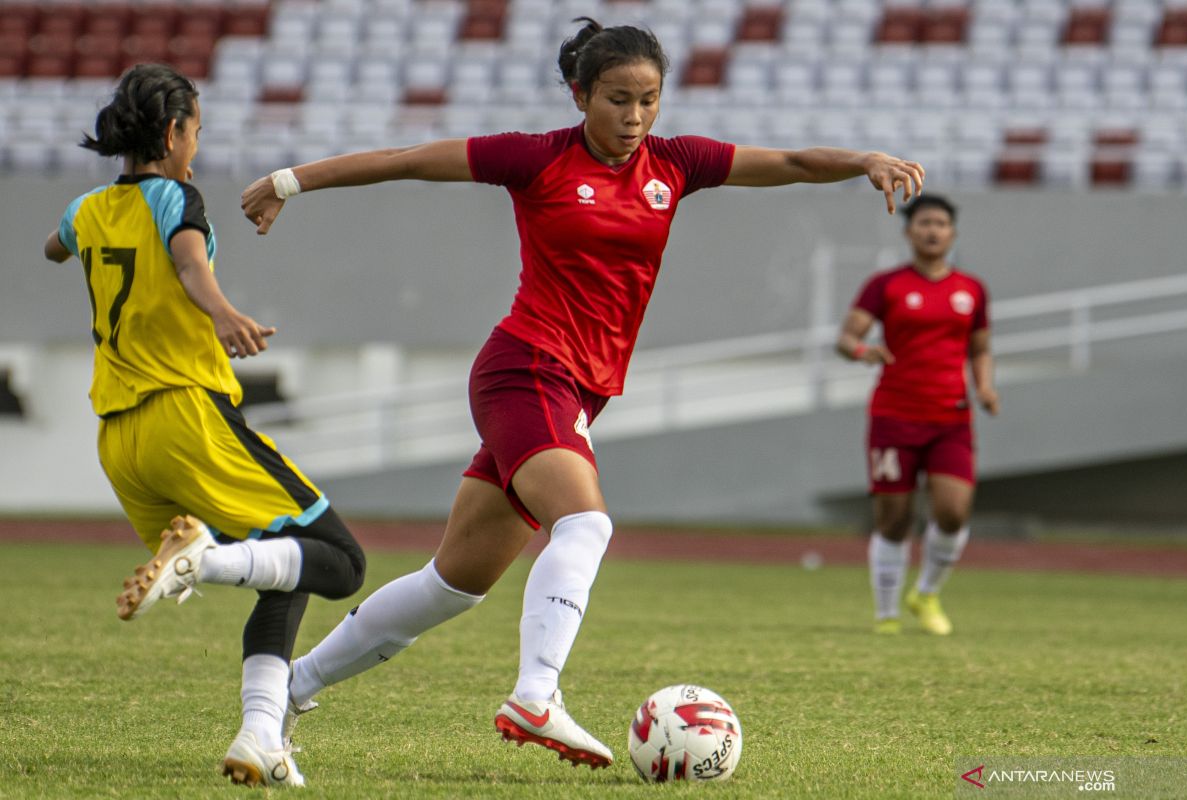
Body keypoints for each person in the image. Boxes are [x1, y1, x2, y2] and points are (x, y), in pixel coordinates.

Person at [240, 18, 925, 769]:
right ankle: (537, 693)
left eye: (648, 100)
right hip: (527, 368)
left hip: (574, 392)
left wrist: (864, 159)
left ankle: (282, 700)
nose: (634, 119)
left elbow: (790, 160)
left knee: (453, 585)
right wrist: (288, 182)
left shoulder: (678, 164)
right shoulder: (534, 159)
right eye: (617, 100)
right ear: (580, 94)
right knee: (587, 525)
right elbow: (407, 160)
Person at [43, 63, 366, 787]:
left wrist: (80, 239)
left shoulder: (88, 208)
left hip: (121, 442)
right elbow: (189, 262)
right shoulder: (174, 195)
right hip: (186, 414)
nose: (196, 147)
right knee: (341, 561)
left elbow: (53, 247)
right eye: (195, 132)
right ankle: (202, 559)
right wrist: (223, 312)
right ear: (171, 132)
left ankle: (259, 735)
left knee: (288, 566)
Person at [835, 194, 998, 636]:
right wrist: (863, 350)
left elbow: (980, 348)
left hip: (951, 418)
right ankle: (886, 614)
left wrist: (984, 385)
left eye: (941, 223)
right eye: (924, 222)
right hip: (894, 415)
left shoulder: (971, 290)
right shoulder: (884, 285)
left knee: (952, 512)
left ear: (952, 233)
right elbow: (846, 338)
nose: (932, 230)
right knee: (895, 518)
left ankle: (926, 593)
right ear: (909, 231)